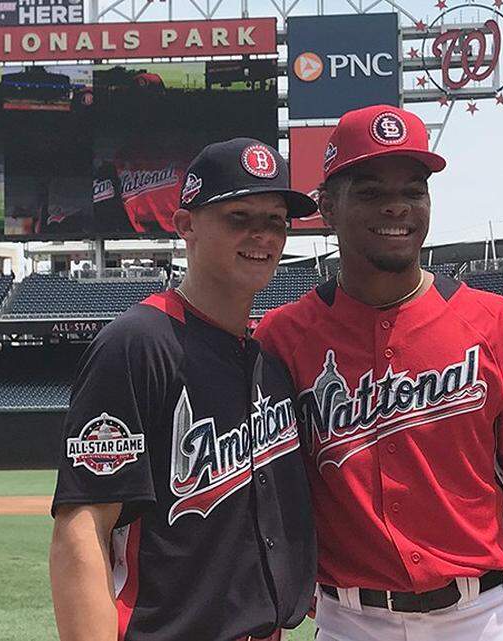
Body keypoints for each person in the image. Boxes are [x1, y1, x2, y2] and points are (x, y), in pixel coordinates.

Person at [254, 105, 503, 641]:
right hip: (349, 621)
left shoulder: (492, 322)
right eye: (370, 191)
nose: (396, 206)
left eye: (414, 189)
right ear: (326, 206)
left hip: (480, 618)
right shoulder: (282, 338)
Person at [49, 137, 319, 641]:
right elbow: (82, 527)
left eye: (276, 221)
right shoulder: (138, 344)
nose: (262, 235)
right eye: (240, 217)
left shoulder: (268, 360)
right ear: (186, 225)